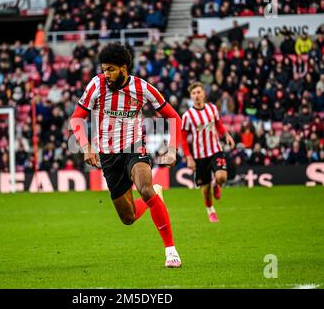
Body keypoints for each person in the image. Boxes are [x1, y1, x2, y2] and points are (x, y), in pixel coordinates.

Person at [69, 43, 183, 268]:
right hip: (108, 157)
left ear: (124, 68)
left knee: (145, 187)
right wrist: (86, 147)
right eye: (104, 69)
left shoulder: (143, 88)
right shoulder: (96, 85)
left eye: (111, 69)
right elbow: (76, 118)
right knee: (128, 218)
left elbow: (174, 117)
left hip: (134, 149)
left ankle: (171, 251)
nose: (106, 74)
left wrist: (172, 148)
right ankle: (155, 197)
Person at [181, 82, 235, 223]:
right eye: (194, 93)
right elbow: (183, 138)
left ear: (204, 94)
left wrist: (227, 135)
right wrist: (189, 157)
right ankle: (211, 211)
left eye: (199, 92)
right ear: (191, 96)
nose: (196, 95)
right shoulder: (187, 116)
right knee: (205, 190)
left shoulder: (212, 108)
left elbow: (218, 124)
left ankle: (217, 184)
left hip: (215, 150)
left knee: (222, 177)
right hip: (199, 156)